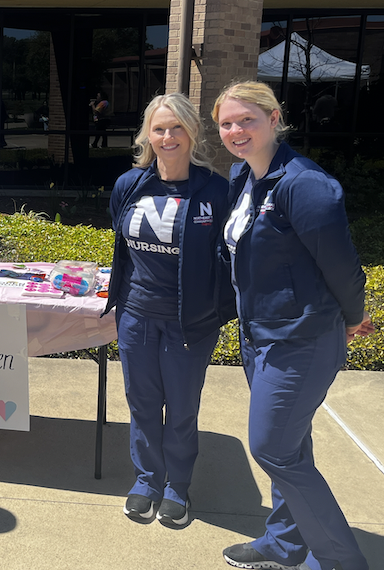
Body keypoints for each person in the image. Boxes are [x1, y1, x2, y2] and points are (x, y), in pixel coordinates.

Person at [214, 81, 373, 570]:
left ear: (274, 118)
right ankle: (284, 544)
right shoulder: (244, 175)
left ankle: (341, 562)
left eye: (247, 120)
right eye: (227, 123)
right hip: (259, 333)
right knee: (290, 444)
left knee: (272, 447)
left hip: (299, 337)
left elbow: (341, 265)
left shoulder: (304, 184)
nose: (237, 131)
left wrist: (352, 316)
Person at [104, 93, 233, 528]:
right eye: (159, 128)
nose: (168, 136)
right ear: (148, 135)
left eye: (177, 127)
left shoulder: (216, 190)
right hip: (136, 313)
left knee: (181, 407)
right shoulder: (129, 185)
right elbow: (122, 244)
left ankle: (177, 485)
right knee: (141, 403)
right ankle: (146, 480)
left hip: (189, 321)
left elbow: (230, 256)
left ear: (192, 133)